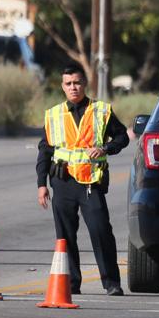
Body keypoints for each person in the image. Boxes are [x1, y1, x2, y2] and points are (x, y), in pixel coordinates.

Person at [36, 65, 130, 295]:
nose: (73, 87)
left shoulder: (100, 111)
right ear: (62, 86)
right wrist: (41, 185)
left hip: (90, 182)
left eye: (77, 82)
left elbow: (122, 137)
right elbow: (45, 152)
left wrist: (105, 147)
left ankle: (111, 283)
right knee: (65, 236)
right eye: (68, 83)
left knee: (100, 231)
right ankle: (71, 284)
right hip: (63, 182)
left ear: (84, 83)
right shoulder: (54, 114)